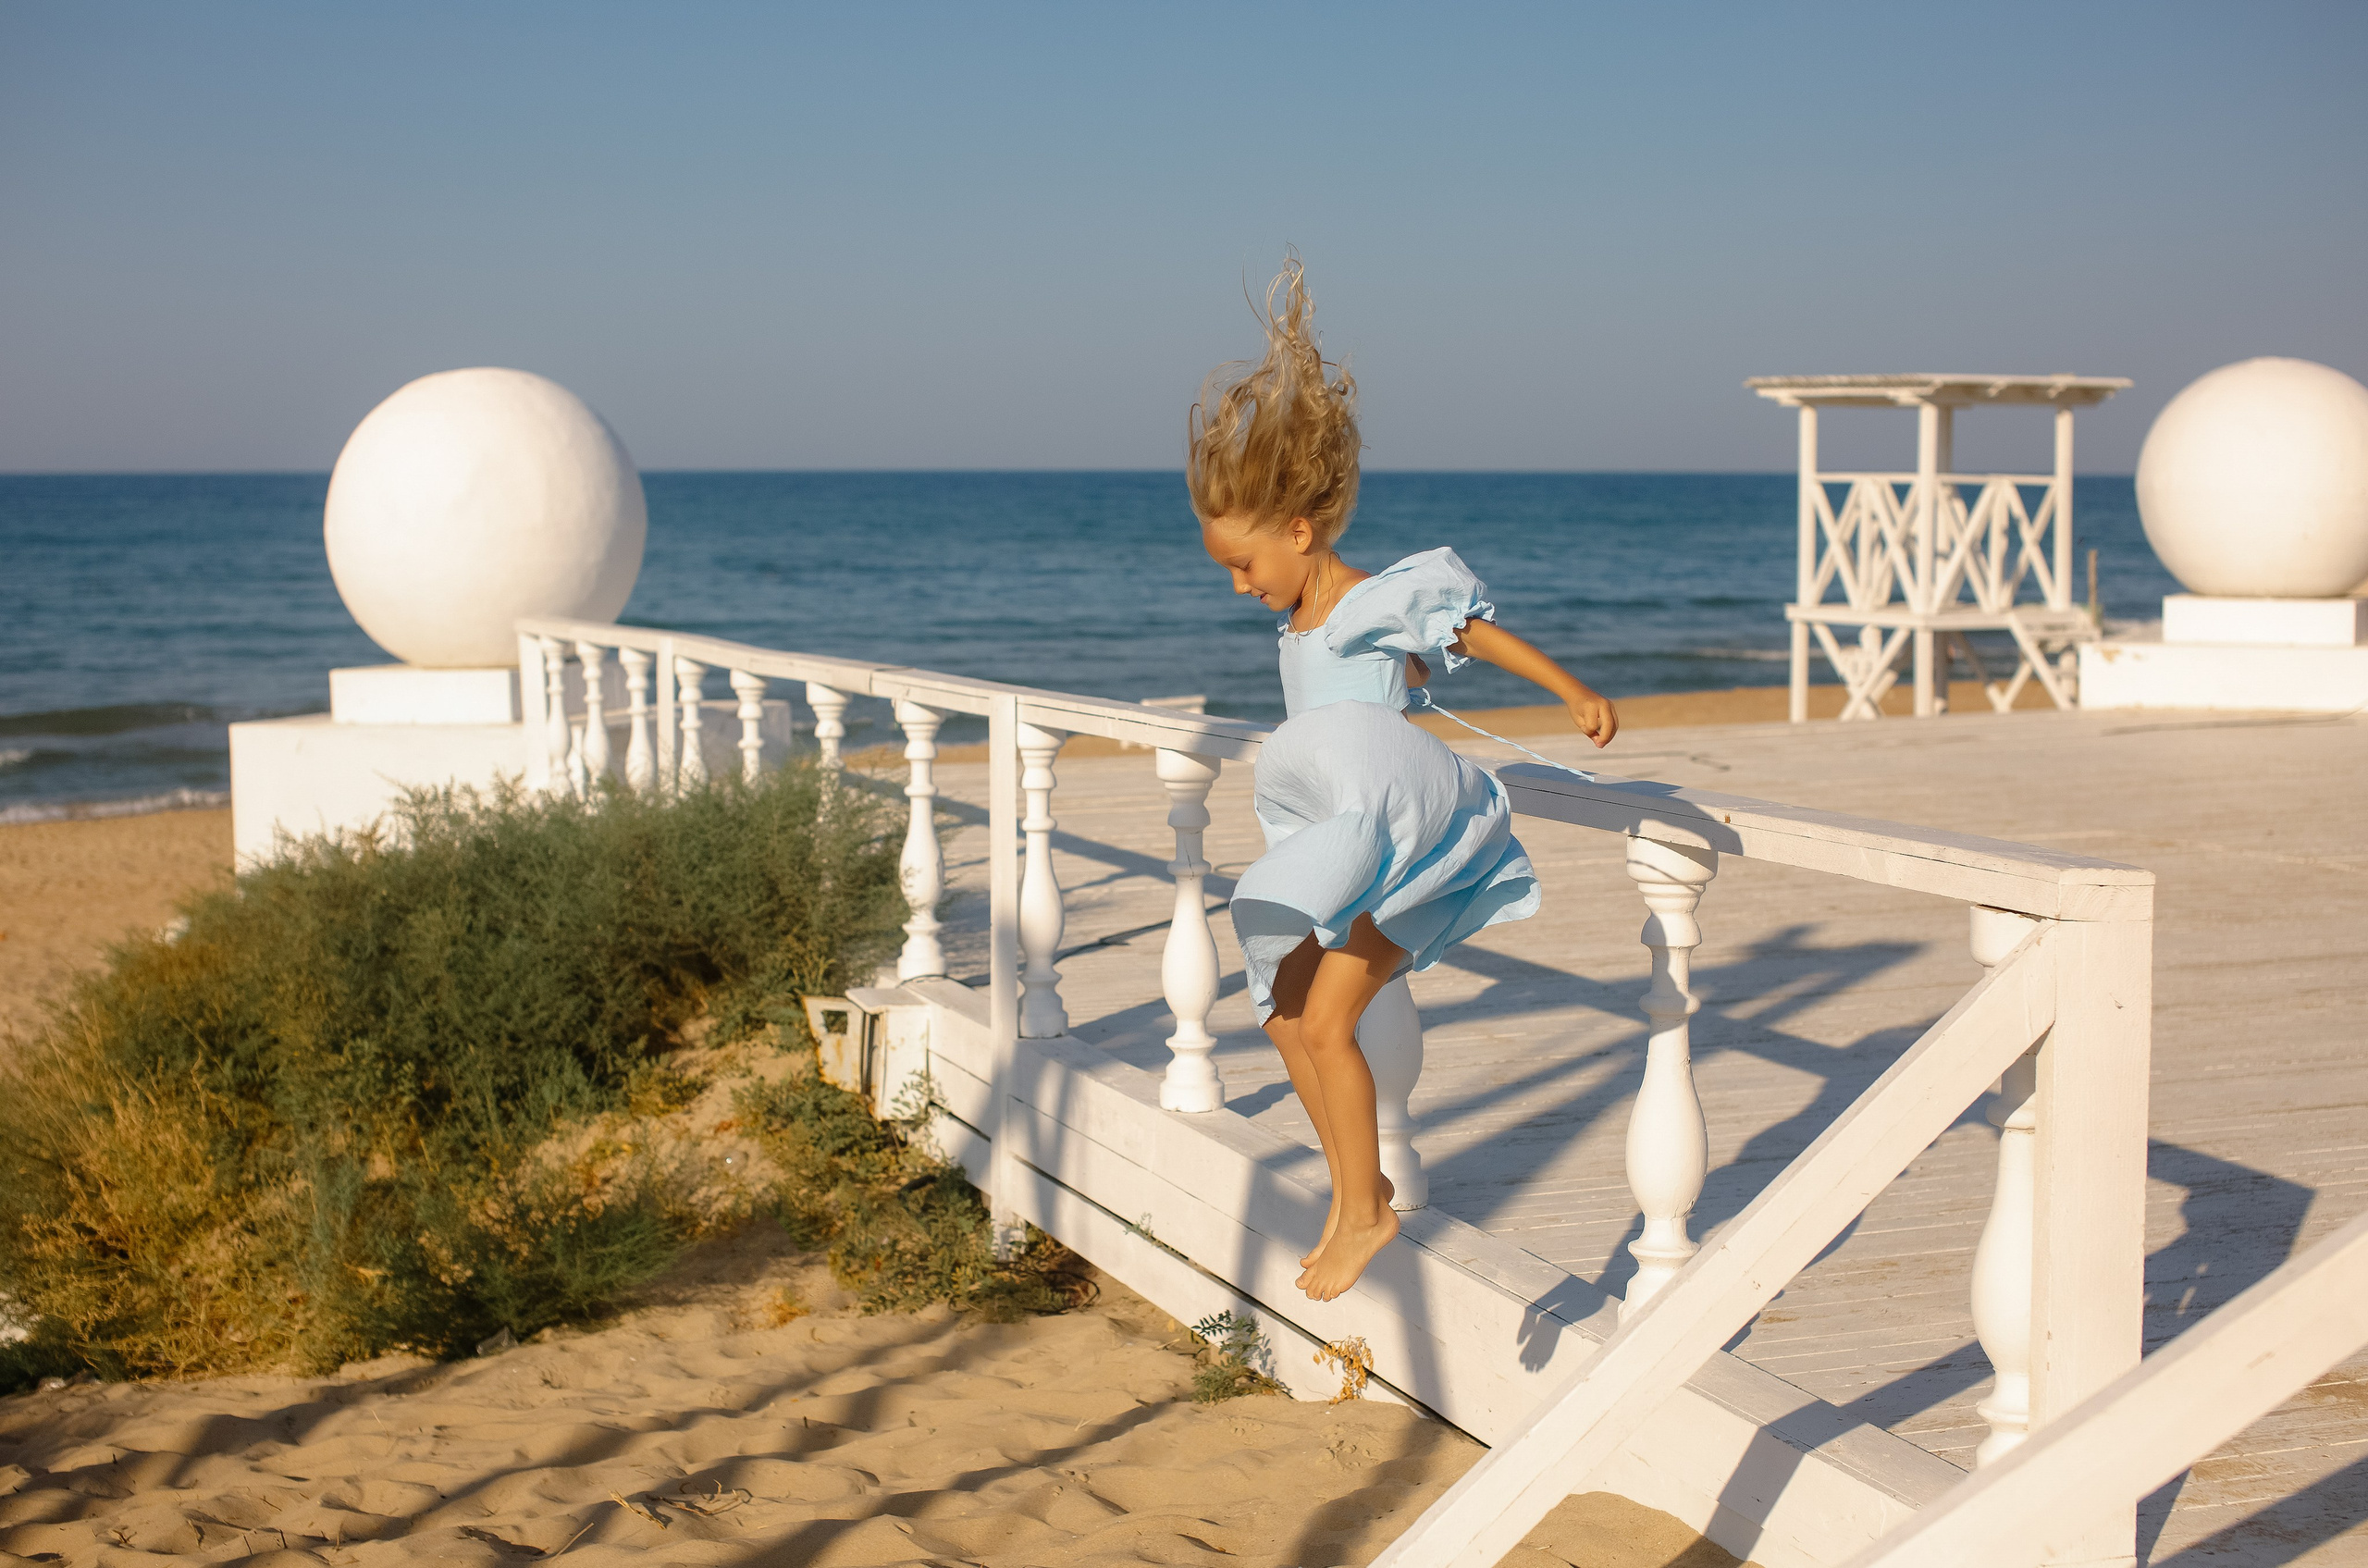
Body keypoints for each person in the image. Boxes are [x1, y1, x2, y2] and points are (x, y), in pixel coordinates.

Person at [1188, 259, 1619, 1301]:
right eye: (1228, 574)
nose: (1242, 588)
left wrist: (1568, 690)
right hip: (1347, 842)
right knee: (1285, 1013)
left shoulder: (1371, 598)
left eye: (1247, 565)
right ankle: (1356, 1193)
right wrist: (1408, 675)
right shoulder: (1309, 619)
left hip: (1405, 841)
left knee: (1323, 1020)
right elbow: (1389, 682)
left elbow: (1465, 631)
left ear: (1300, 531)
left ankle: (1365, 1206)